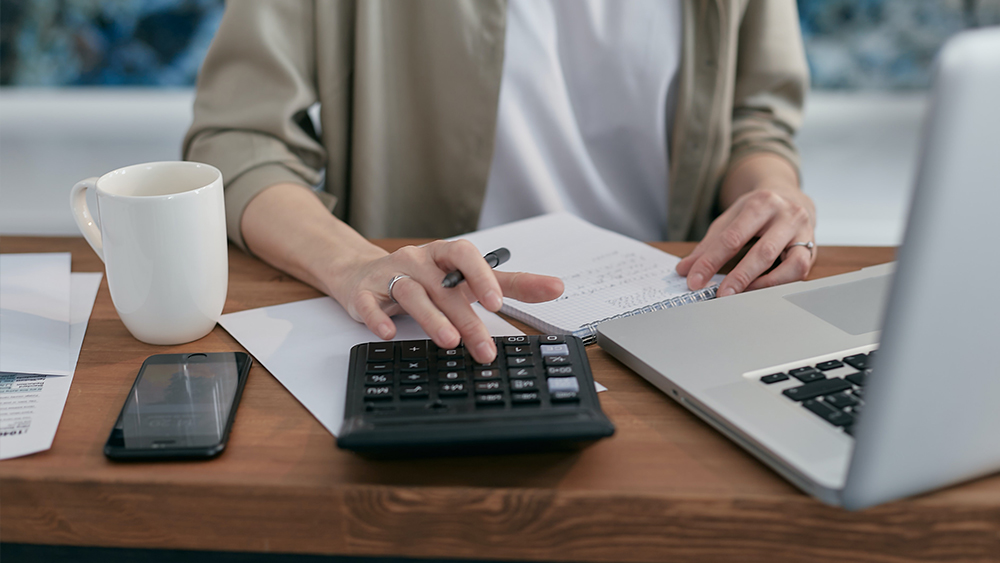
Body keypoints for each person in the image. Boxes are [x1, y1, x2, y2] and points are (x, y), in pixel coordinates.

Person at [184, 0, 815, 364]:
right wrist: (353, 265)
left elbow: (754, 122)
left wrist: (772, 194)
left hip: (671, 317)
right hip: (433, 326)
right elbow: (241, 140)